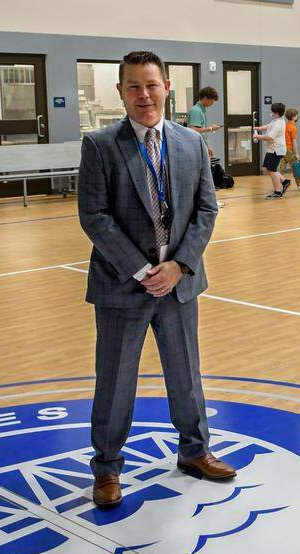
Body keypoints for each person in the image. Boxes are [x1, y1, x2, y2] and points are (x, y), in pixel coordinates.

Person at [77, 50, 233, 509]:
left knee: (186, 374)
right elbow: (95, 216)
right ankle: (106, 468)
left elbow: (207, 209)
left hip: (179, 283)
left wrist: (180, 265)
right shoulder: (101, 145)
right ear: (121, 92)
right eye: (133, 87)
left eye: (151, 85)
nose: (144, 95)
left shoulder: (190, 144)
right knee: (115, 380)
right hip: (124, 285)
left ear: (167, 86)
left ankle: (194, 451)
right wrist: (144, 270)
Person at [254, 102, 290, 199]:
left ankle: (278, 191)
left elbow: (269, 137)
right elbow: (268, 126)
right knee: (266, 169)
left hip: (276, 150)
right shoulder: (276, 120)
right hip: (272, 150)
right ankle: (284, 181)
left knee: (272, 170)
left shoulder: (278, 123)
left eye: (272, 111)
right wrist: (257, 128)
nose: (271, 113)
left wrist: (258, 136)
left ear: (277, 113)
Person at [186, 86, 221, 157]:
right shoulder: (196, 111)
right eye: (212, 100)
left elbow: (202, 134)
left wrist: (207, 146)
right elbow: (193, 130)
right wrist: (211, 128)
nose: (212, 103)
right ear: (205, 98)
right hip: (195, 147)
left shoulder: (201, 111)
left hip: (200, 146)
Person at [277, 107, 300, 190]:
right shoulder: (293, 128)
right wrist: (296, 154)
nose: (297, 117)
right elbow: (294, 142)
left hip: (282, 148)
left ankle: (277, 184)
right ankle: (299, 185)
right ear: (293, 117)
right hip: (289, 150)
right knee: (295, 166)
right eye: (296, 116)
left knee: (281, 167)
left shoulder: (285, 126)